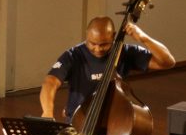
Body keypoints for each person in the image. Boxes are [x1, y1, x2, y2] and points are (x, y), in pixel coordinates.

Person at [40, 17, 175, 122]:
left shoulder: (124, 52)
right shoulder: (73, 55)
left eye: (104, 44)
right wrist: (47, 111)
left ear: (113, 36)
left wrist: (143, 38)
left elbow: (167, 62)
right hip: (79, 119)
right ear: (87, 35)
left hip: (115, 121)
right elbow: (50, 82)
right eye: (92, 43)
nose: (97, 49)